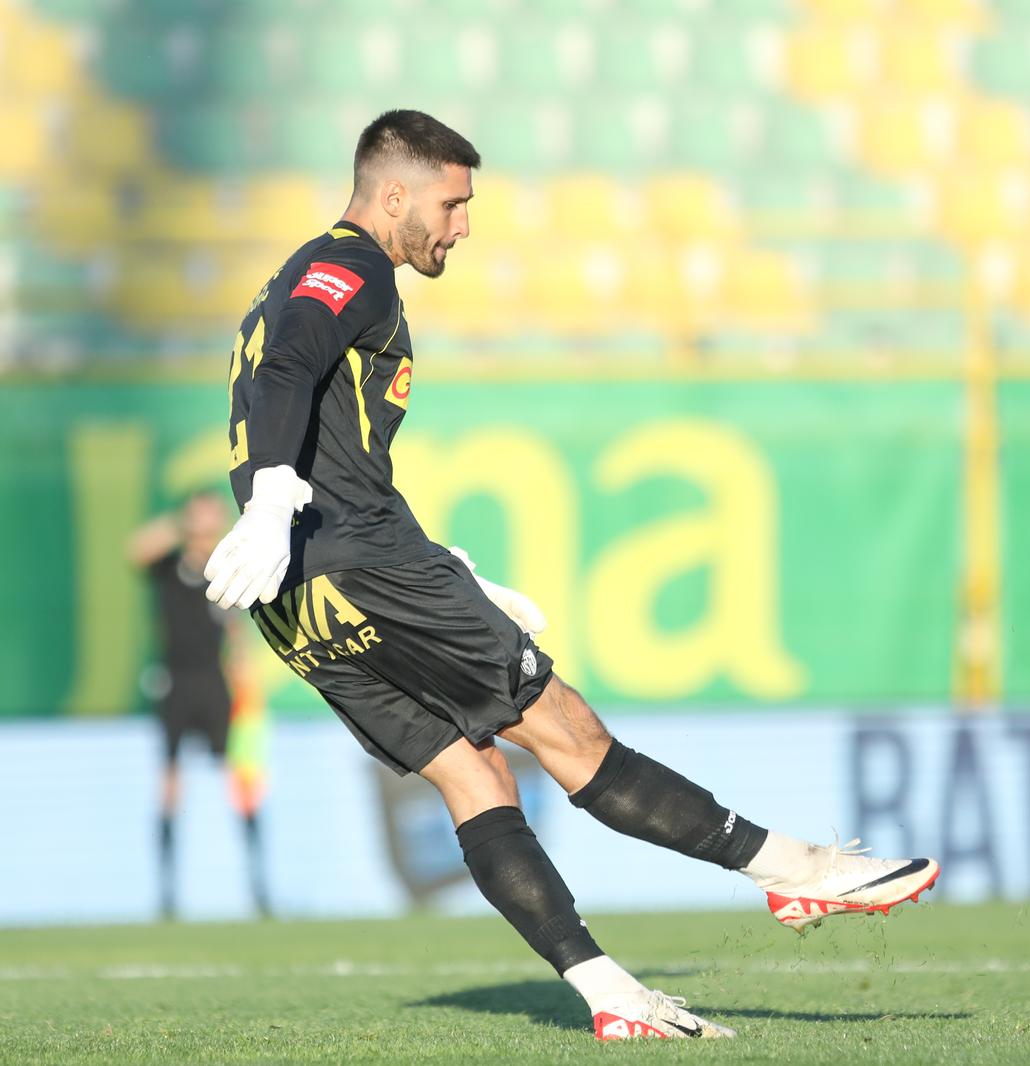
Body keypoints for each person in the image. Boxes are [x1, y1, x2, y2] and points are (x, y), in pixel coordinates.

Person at [201, 109, 938, 1042]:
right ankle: (792, 869)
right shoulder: (351, 265)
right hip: (350, 557)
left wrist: (431, 562)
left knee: (474, 779)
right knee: (570, 733)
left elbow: (317, 423)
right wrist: (275, 502)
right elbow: (293, 368)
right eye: (452, 203)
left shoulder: (288, 279)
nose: (462, 225)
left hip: (297, 598)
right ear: (394, 195)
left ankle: (608, 992)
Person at [127, 489, 271, 919]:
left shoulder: (223, 568)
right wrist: (181, 524)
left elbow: (236, 631)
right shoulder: (169, 565)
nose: (207, 524)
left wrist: (245, 674)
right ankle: (167, 896)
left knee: (241, 779)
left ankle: (259, 887)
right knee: (170, 782)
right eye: (200, 516)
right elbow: (135, 550)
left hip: (215, 684)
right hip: (176, 683)